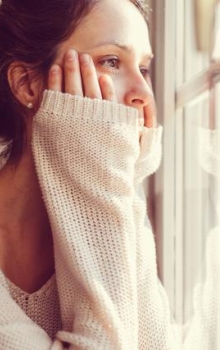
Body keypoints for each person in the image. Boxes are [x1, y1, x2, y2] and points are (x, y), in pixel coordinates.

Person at [0, 0, 180, 348]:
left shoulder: (113, 205)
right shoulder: (102, 199)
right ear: (27, 85)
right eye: (111, 62)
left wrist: (124, 186)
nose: (143, 95)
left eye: (143, 69)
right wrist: (105, 181)